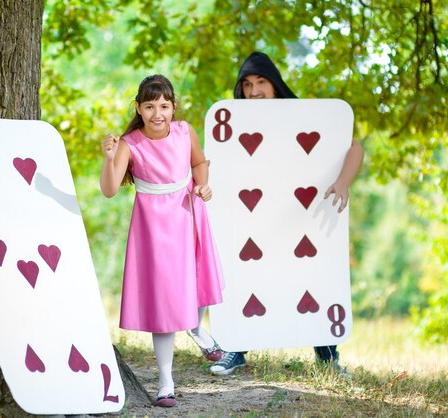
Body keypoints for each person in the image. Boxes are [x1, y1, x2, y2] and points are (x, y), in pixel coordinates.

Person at [209, 51, 364, 377]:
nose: (254, 91)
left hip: (306, 217)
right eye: (247, 85)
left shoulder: (308, 115)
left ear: (275, 83)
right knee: (247, 280)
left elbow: (355, 147)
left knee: (313, 279)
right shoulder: (234, 124)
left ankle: (328, 357)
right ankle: (235, 350)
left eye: (261, 82)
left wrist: (343, 182)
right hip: (256, 219)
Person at [100, 74, 225, 407]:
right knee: (164, 300)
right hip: (154, 224)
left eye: (165, 106)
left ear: (173, 107)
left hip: (188, 211)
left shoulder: (185, 132)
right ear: (138, 108)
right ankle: (166, 382)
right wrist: (109, 157)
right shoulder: (130, 143)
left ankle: (197, 329)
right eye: (150, 106)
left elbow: (198, 163)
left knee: (201, 278)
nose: (158, 113)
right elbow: (110, 189)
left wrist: (202, 185)